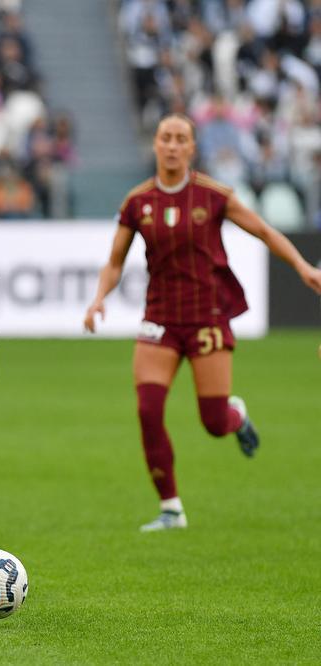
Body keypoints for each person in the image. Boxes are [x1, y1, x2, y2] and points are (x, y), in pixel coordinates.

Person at [84, 114, 321, 532]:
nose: (172, 146)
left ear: (192, 148)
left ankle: (235, 415)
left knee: (213, 423)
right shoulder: (137, 202)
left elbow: (264, 231)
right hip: (159, 319)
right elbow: (114, 262)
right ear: (155, 145)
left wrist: (303, 267)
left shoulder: (213, 195)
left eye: (180, 139)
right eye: (165, 138)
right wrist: (99, 299)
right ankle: (171, 508)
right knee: (148, 409)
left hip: (207, 317)